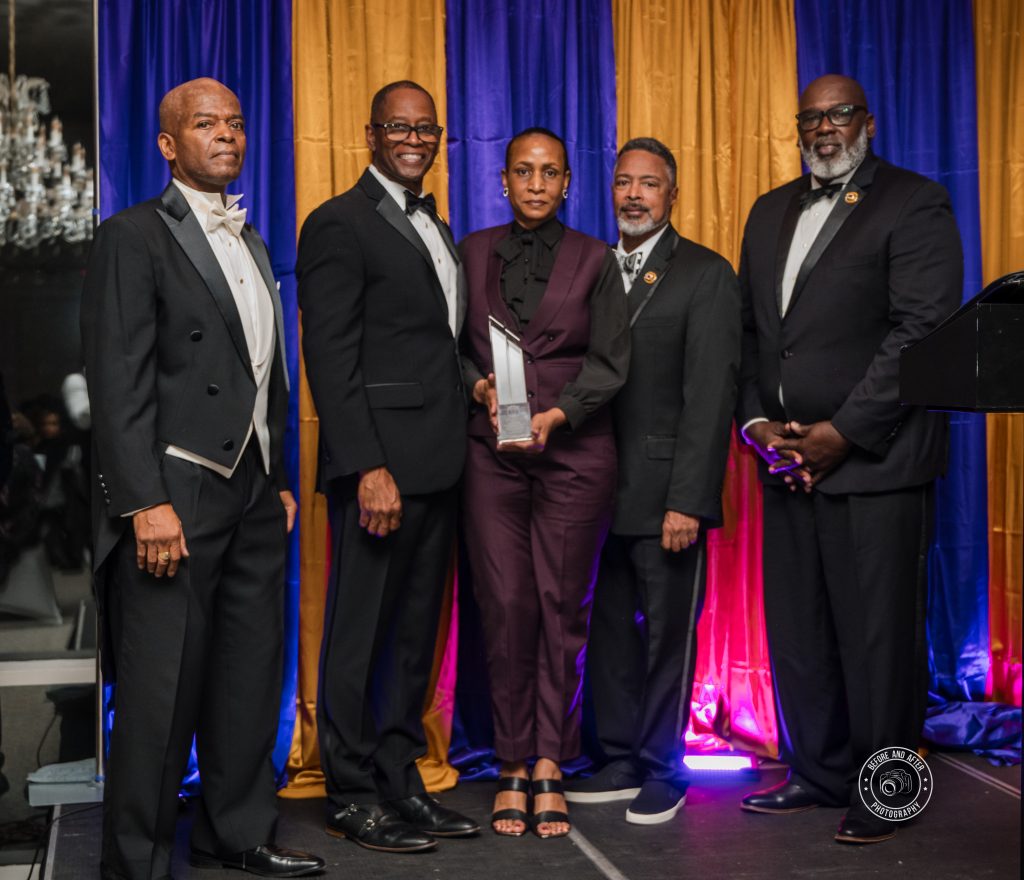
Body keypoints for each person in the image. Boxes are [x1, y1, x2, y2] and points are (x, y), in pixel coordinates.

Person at [80, 78, 323, 879]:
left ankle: (236, 833)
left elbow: (269, 375)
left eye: (236, 123)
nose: (226, 135)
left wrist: (280, 476)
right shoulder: (133, 236)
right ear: (167, 144)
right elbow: (119, 382)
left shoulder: (253, 242)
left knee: (250, 677)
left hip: (252, 491)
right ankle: (137, 862)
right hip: (174, 491)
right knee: (158, 693)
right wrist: (143, 501)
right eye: (206, 124)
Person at [735, 74, 962, 844]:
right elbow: (753, 338)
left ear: (867, 120)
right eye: (811, 117)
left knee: (879, 639)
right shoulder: (768, 212)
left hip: (877, 463)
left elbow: (922, 331)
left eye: (838, 115)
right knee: (801, 632)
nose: (824, 128)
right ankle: (820, 771)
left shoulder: (913, 201)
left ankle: (888, 789)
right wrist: (761, 424)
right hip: (789, 465)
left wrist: (842, 432)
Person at [296, 81, 478, 855]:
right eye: (398, 127)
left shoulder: (435, 220)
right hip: (380, 472)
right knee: (358, 635)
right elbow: (330, 359)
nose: (414, 137)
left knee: (412, 637)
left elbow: (435, 342)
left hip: (441, 462)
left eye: (426, 127)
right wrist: (366, 465)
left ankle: (402, 777)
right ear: (370, 133)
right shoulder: (337, 224)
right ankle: (352, 789)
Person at [459, 127, 630, 839]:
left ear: (568, 184)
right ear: (503, 181)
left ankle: (552, 762)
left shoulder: (597, 260)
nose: (535, 184)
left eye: (549, 173)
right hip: (490, 455)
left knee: (562, 610)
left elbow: (612, 362)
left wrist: (559, 415)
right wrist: (476, 389)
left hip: (575, 453)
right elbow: (447, 345)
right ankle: (509, 762)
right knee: (504, 608)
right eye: (523, 172)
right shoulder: (470, 252)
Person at [565, 138, 740, 824]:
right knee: (608, 632)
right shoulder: (590, 268)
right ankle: (617, 756)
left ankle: (665, 764)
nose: (635, 195)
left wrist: (689, 499)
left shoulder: (704, 274)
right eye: (623, 182)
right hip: (589, 491)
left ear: (674, 195)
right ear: (609, 192)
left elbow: (710, 398)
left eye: (650, 184)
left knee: (668, 632)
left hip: (667, 491)